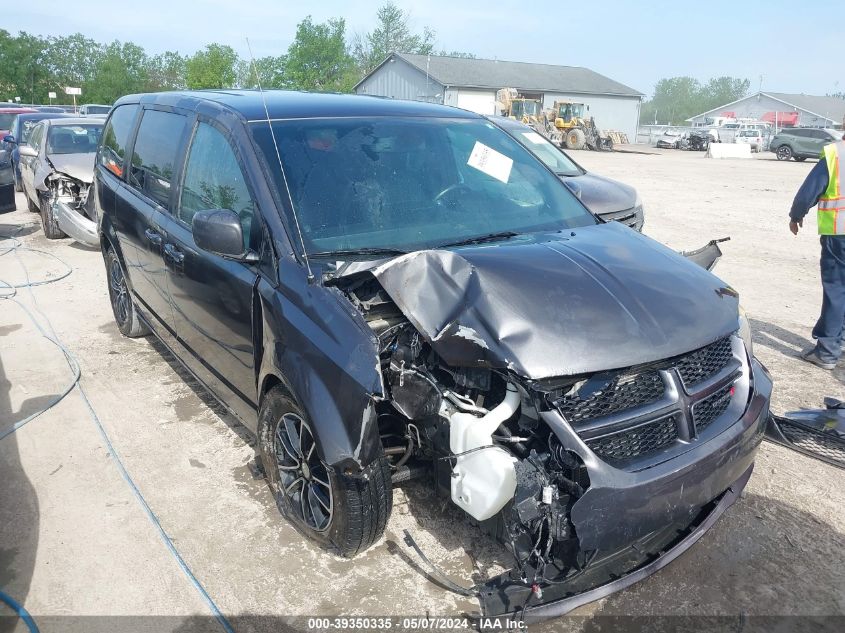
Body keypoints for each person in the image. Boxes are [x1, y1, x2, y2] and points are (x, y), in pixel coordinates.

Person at [789, 134, 845, 370]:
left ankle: (827, 352)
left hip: (839, 232)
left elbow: (810, 190)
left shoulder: (836, 153)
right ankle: (838, 342)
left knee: (837, 288)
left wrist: (796, 214)